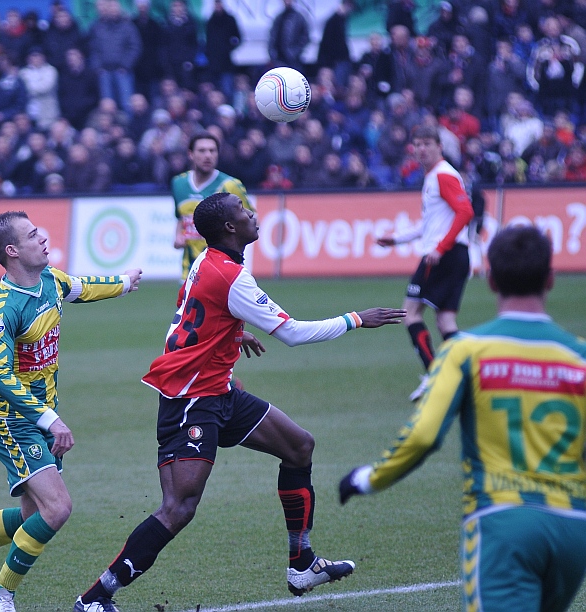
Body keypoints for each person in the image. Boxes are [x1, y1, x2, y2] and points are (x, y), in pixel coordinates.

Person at [73, 192, 406, 612]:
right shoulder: (232, 277)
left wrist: (231, 335)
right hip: (191, 399)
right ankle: (95, 598)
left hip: (219, 391)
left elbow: (189, 314)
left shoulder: (207, 260)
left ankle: (301, 565)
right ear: (230, 228)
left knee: (299, 445)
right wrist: (357, 318)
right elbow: (293, 332)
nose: (252, 214)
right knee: (179, 508)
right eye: (244, 212)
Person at [339, 224, 586, 612]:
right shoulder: (580, 357)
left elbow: (424, 436)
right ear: (551, 280)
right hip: (573, 527)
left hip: (503, 522)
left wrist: (366, 480)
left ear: (490, 280)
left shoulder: (465, 351)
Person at [0, 211, 143, 612]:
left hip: (42, 417)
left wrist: (124, 282)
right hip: (13, 422)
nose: (43, 238)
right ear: (12, 251)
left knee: (32, 515)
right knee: (57, 509)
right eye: (32, 235)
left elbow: (81, 287)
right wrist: (49, 419)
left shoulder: (50, 281)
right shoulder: (2, 308)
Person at [376, 125, 473, 401]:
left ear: (439, 146)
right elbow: (430, 224)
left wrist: (441, 248)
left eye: (427, 144)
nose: (421, 149)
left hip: (442, 255)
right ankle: (466, 376)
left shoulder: (442, 175)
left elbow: (465, 211)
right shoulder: (434, 176)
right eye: (417, 145)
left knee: (411, 313)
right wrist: (397, 240)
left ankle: (435, 377)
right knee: (445, 320)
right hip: (455, 254)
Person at [172, 131, 252, 281]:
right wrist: (178, 236)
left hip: (224, 270)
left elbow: (252, 219)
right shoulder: (178, 183)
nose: (207, 155)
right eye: (202, 151)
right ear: (191, 154)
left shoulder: (230, 185)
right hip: (190, 270)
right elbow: (180, 218)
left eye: (212, 151)